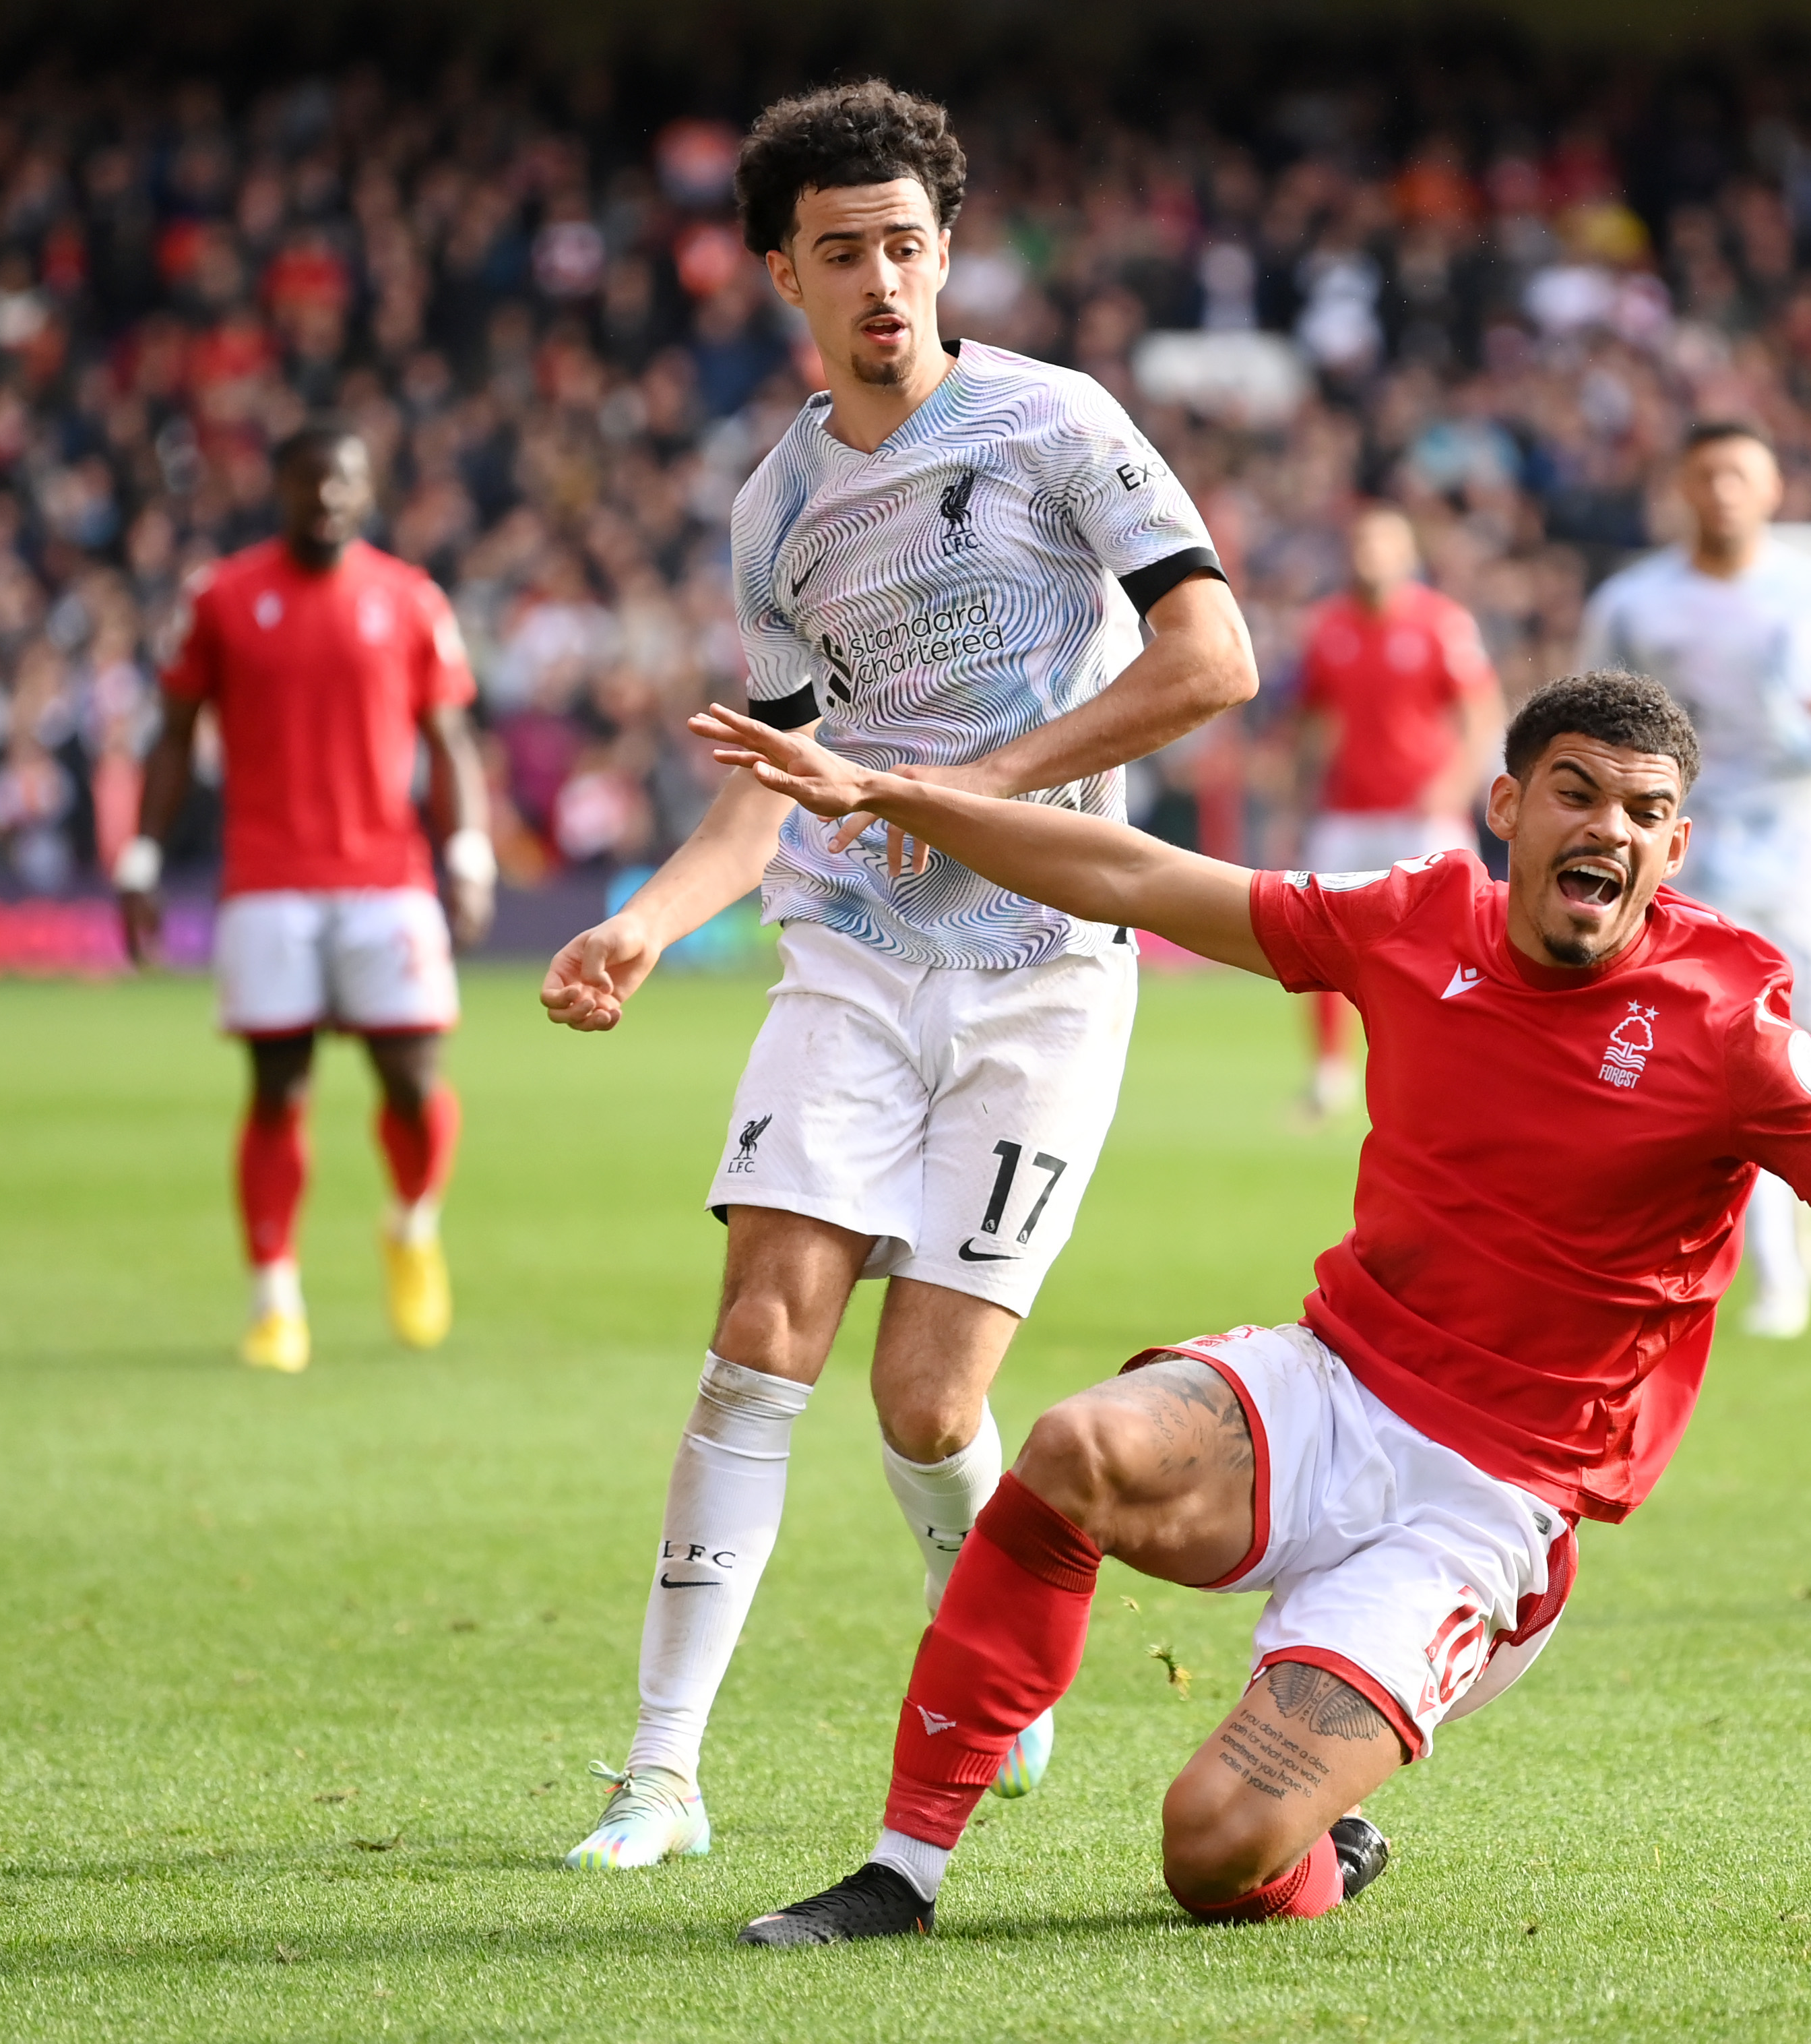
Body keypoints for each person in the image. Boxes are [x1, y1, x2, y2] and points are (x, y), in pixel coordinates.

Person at [689, 671, 1811, 1946]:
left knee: (1208, 1856)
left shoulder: (1730, 1020)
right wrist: (891, 789)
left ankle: (1313, 1831)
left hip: (1491, 1500)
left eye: (1643, 811)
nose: (1609, 833)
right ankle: (903, 1870)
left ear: (1675, 843)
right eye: (1577, 795)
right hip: (1335, 1381)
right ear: (1508, 808)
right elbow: (1133, 875)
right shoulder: (1413, 921)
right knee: (1070, 1447)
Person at [535, 82, 1257, 1873]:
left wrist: (972, 793)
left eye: (908, 246)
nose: (883, 282)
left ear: (947, 253)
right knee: (758, 1342)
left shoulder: (1055, 422)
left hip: (1044, 959)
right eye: (844, 251)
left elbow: (1213, 657)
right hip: (849, 952)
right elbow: (777, 779)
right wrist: (647, 916)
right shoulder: (776, 504)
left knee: (928, 1405)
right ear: (779, 270)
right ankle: (658, 1775)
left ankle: (986, 1666)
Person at [117, 422, 493, 1375]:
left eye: (343, 484)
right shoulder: (224, 598)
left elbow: (449, 741)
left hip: (387, 878)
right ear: (279, 489)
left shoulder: (410, 600)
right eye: (308, 483)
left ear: (367, 493)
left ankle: (411, 1223)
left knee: (412, 1081)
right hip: (269, 881)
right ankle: (275, 1297)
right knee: (277, 1089)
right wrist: (141, 862)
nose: (325, 499)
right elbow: (171, 736)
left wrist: (472, 853)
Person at [1577, 420, 1811, 1340]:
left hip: (1803, 848)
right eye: (1706, 474)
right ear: (1680, 489)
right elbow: (1588, 715)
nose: (1722, 489)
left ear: (1771, 489)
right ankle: (1771, 1269)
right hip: (1692, 850)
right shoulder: (1633, 604)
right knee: (1731, 1051)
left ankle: (1804, 1210)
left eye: (1740, 474)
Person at [1279, 503, 1502, 1119]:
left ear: (1408, 555)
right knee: (1316, 934)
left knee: (1458, 940)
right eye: (1360, 543)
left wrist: (1455, 785)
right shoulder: (1325, 628)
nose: (1369, 555)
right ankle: (1329, 1074)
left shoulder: (1441, 624)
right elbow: (1311, 720)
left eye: (1382, 544)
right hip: (1347, 811)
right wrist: (1297, 794)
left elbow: (1483, 714)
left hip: (1421, 811)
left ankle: (1465, 1066)